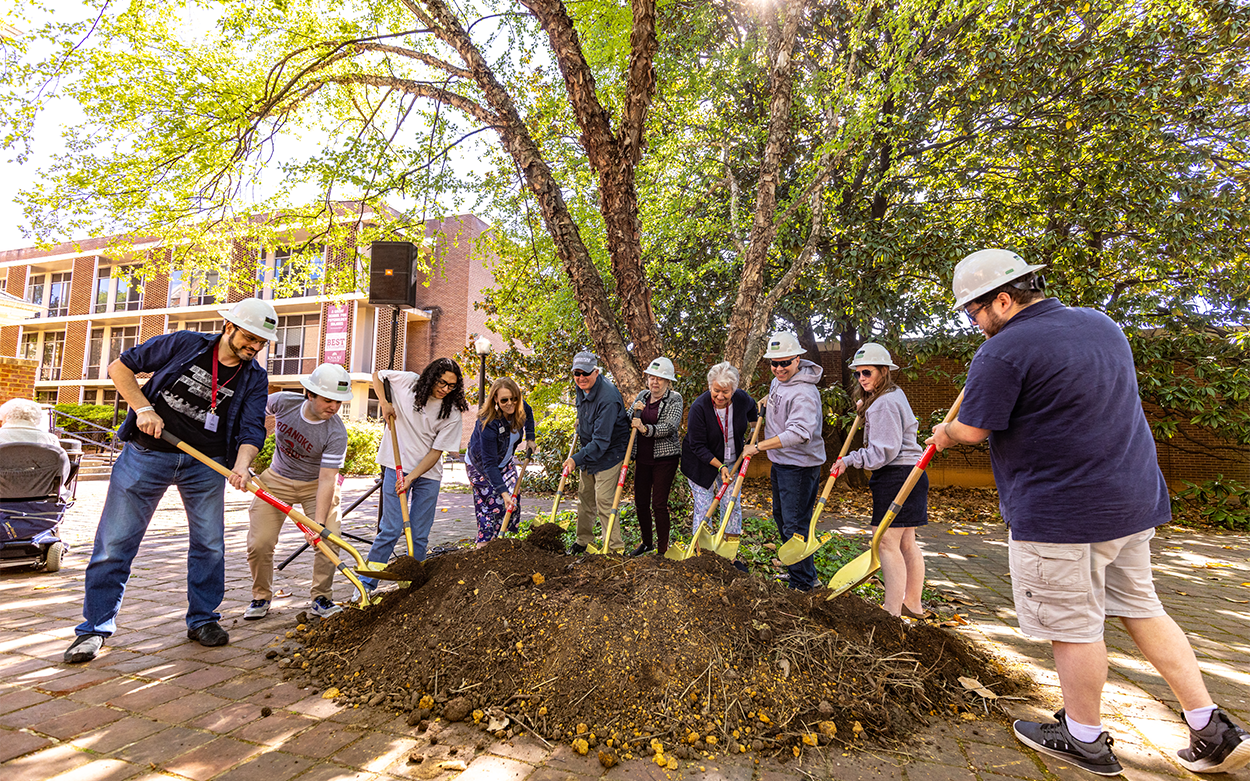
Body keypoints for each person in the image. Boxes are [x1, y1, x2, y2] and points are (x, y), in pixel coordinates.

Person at [927, 249, 1250, 776]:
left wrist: (945, 434)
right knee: (1143, 608)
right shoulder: (1102, 326)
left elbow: (972, 430)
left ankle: (1082, 737)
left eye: (974, 313)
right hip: (1130, 501)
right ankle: (1210, 727)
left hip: (1063, 514)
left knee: (1074, 627)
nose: (974, 325)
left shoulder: (1003, 351)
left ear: (1002, 300)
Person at [64, 298, 275, 663]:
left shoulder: (254, 377)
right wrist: (143, 408)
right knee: (115, 544)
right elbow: (120, 367)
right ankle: (94, 629)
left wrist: (242, 466)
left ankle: (203, 619)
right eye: (250, 338)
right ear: (229, 327)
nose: (253, 347)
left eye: (261, 343)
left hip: (206, 465)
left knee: (210, 545)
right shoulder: (185, 344)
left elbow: (252, 429)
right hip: (146, 456)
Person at [244, 363, 352, 622]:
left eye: (339, 402)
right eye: (328, 400)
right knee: (260, 543)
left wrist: (320, 524)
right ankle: (261, 596)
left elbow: (328, 479)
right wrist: (242, 459)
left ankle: (321, 597)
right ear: (310, 394)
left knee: (329, 538)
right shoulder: (283, 402)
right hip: (275, 480)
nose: (334, 407)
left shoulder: (336, 432)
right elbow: (250, 413)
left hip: (315, 486)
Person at [830, 343, 928, 618]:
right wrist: (866, 406)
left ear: (884, 371)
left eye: (868, 372)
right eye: (859, 374)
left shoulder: (883, 404)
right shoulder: (893, 396)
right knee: (906, 542)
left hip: (896, 475)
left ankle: (892, 611)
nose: (862, 378)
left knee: (885, 542)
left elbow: (882, 452)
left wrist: (849, 460)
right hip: (913, 472)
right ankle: (912, 603)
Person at [360, 358, 467, 588]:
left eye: (451, 386)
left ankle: (412, 585)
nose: (445, 389)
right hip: (395, 464)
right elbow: (378, 374)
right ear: (430, 376)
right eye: (442, 382)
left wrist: (410, 478)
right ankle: (365, 586)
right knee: (391, 528)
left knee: (419, 533)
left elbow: (436, 452)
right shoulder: (408, 382)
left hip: (427, 475)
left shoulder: (452, 412)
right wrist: (384, 403)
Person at [742, 332, 826, 591]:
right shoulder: (780, 381)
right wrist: (768, 400)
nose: (778, 368)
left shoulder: (804, 393)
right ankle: (800, 573)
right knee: (782, 517)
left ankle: (804, 582)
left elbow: (800, 433)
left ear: (798, 360)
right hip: (781, 462)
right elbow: (778, 396)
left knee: (795, 523)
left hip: (799, 467)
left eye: (785, 363)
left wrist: (757, 447)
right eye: (774, 363)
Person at [681, 362, 757, 549]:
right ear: (710, 386)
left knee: (731, 505)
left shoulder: (741, 399)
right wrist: (720, 466)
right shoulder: (699, 407)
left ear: (734, 389)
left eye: (726, 392)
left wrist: (753, 435)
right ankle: (701, 553)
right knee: (704, 507)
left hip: (732, 460)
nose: (720, 396)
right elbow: (697, 445)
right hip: (701, 462)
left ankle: (728, 552)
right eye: (716, 390)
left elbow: (753, 411)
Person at [562, 351, 630, 555]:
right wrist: (581, 420)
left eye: (586, 373)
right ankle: (583, 540)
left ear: (597, 371)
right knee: (585, 496)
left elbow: (601, 441)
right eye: (577, 373)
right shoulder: (580, 386)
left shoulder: (608, 398)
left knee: (604, 500)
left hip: (610, 453)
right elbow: (584, 409)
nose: (581, 377)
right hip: (590, 450)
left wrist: (575, 459)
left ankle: (614, 547)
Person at [465, 377, 536, 547]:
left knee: (513, 499)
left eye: (514, 398)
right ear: (495, 399)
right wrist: (502, 493)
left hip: (505, 463)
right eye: (504, 400)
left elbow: (530, 414)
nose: (510, 403)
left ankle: (502, 542)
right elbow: (489, 464)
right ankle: (484, 548)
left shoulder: (520, 407)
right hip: (481, 467)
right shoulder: (488, 423)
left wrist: (531, 438)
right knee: (492, 505)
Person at [628, 357, 683, 557]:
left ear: (668, 381)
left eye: (660, 378)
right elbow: (629, 416)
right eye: (652, 377)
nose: (655, 382)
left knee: (658, 503)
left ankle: (662, 550)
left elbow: (670, 426)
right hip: (642, 457)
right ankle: (647, 543)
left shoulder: (674, 398)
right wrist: (635, 413)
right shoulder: (642, 396)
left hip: (665, 458)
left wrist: (644, 428)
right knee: (640, 502)